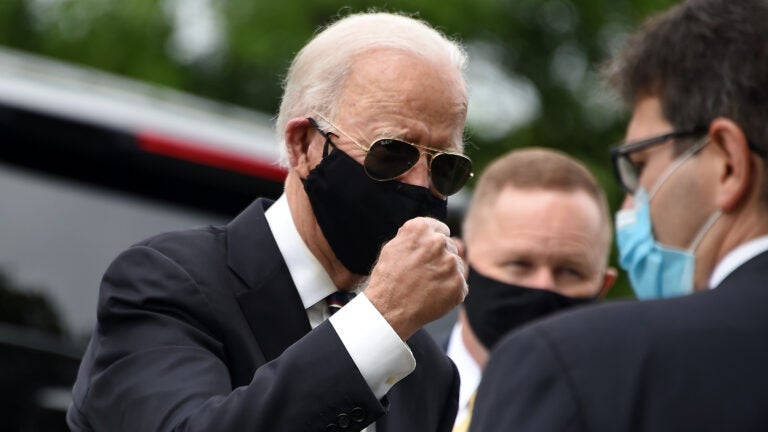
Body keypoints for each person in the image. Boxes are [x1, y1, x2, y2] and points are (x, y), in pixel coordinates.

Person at [67, 12, 474, 432]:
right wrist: (381, 319)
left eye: (446, 168)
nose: (421, 184)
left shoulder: (427, 371)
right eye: (392, 152)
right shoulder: (166, 283)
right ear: (302, 146)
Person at [470, 0, 768, 430]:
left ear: (728, 164)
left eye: (641, 164)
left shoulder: (575, 365)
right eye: (519, 264)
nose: (631, 206)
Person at [447, 148, 616, 431]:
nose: (543, 286)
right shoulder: (389, 389)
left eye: (570, 271)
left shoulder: (626, 410)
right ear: (460, 263)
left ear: (604, 286)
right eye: (519, 264)